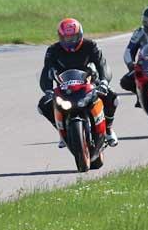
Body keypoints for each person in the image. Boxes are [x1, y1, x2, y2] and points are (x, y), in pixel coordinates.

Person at [38, 18, 119, 149]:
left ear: (80, 34)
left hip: (90, 83)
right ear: (60, 37)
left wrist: (103, 82)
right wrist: (48, 90)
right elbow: (46, 71)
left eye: (72, 37)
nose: (69, 41)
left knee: (113, 97)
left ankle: (108, 129)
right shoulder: (52, 50)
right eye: (65, 38)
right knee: (43, 105)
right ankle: (62, 133)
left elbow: (101, 64)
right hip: (65, 88)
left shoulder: (91, 45)